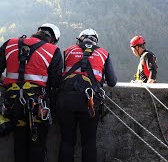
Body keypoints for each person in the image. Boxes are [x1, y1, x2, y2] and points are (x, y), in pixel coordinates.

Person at [0, 23, 63, 162]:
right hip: (37, 106)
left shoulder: (10, 44)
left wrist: (7, 82)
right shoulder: (53, 50)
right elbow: (55, 82)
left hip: (13, 104)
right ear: (53, 39)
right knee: (38, 145)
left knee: (20, 144)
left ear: (37, 32)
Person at [57, 28, 117, 162]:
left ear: (80, 39)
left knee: (66, 141)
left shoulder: (68, 51)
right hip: (89, 100)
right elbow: (112, 82)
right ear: (96, 41)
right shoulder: (103, 53)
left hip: (66, 99)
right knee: (89, 143)